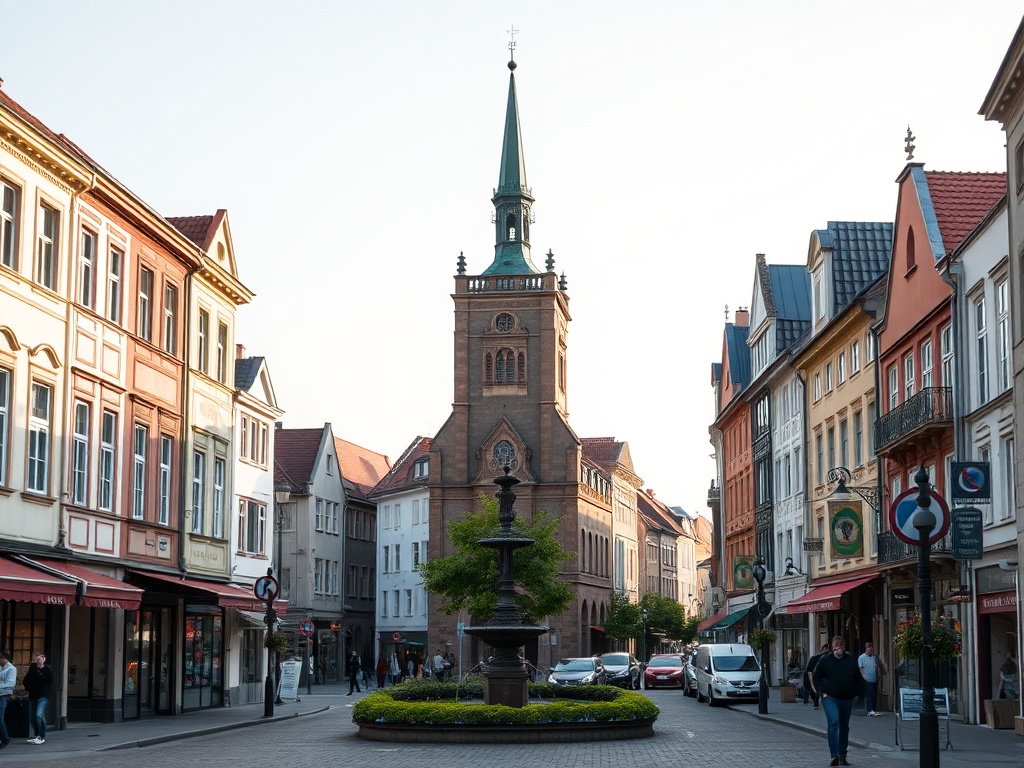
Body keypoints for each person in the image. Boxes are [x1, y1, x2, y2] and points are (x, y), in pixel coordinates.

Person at [813, 635, 861, 767]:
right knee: (834, 722)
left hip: (846, 698)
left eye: (839, 648)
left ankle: (843, 755)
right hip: (830, 697)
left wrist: (855, 693)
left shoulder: (851, 661)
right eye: (834, 648)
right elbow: (817, 677)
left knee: (844, 726)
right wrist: (823, 691)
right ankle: (834, 755)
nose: (836, 651)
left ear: (844, 647)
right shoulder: (825, 660)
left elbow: (858, 679)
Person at [22, 652, 52, 744]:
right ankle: (36, 734)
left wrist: (35, 669)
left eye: (39, 659)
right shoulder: (32, 669)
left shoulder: (47, 669)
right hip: (33, 695)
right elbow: (25, 681)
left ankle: (41, 736)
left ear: (44, 659)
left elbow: (44, 681)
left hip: (43, 695)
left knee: (39, 715)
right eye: (35, 659)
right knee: (32, 717)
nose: (37, 661)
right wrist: (30, 689)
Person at [857, 642, 885, 716]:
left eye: (871, 649)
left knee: (874, 694)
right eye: (869, 649)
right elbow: (861, 669)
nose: (870, 651)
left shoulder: (874, 657)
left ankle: (873, 709)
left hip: (874, 678)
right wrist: (864, 677)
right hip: (867, 678)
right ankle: (869, 710)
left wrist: (879, 675)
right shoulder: (861, 658)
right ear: (866, 649)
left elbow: (878, 666)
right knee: (869, 694)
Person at [804, 643, 829, 708]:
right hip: (818, 677)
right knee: (817, 690)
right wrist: (812, 683)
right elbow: (810, 671)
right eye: (826, 649)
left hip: (823, 678)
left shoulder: (827, 658)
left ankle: (818, 701)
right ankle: (816, 700)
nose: (827, 651)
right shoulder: (815, 658)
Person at [0, 650, 16, 749]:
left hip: (3, 695)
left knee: (0, 717)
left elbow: (11, 683)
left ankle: (6, 739)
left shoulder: (11, 669)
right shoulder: (1, 668)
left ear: (4, 659)